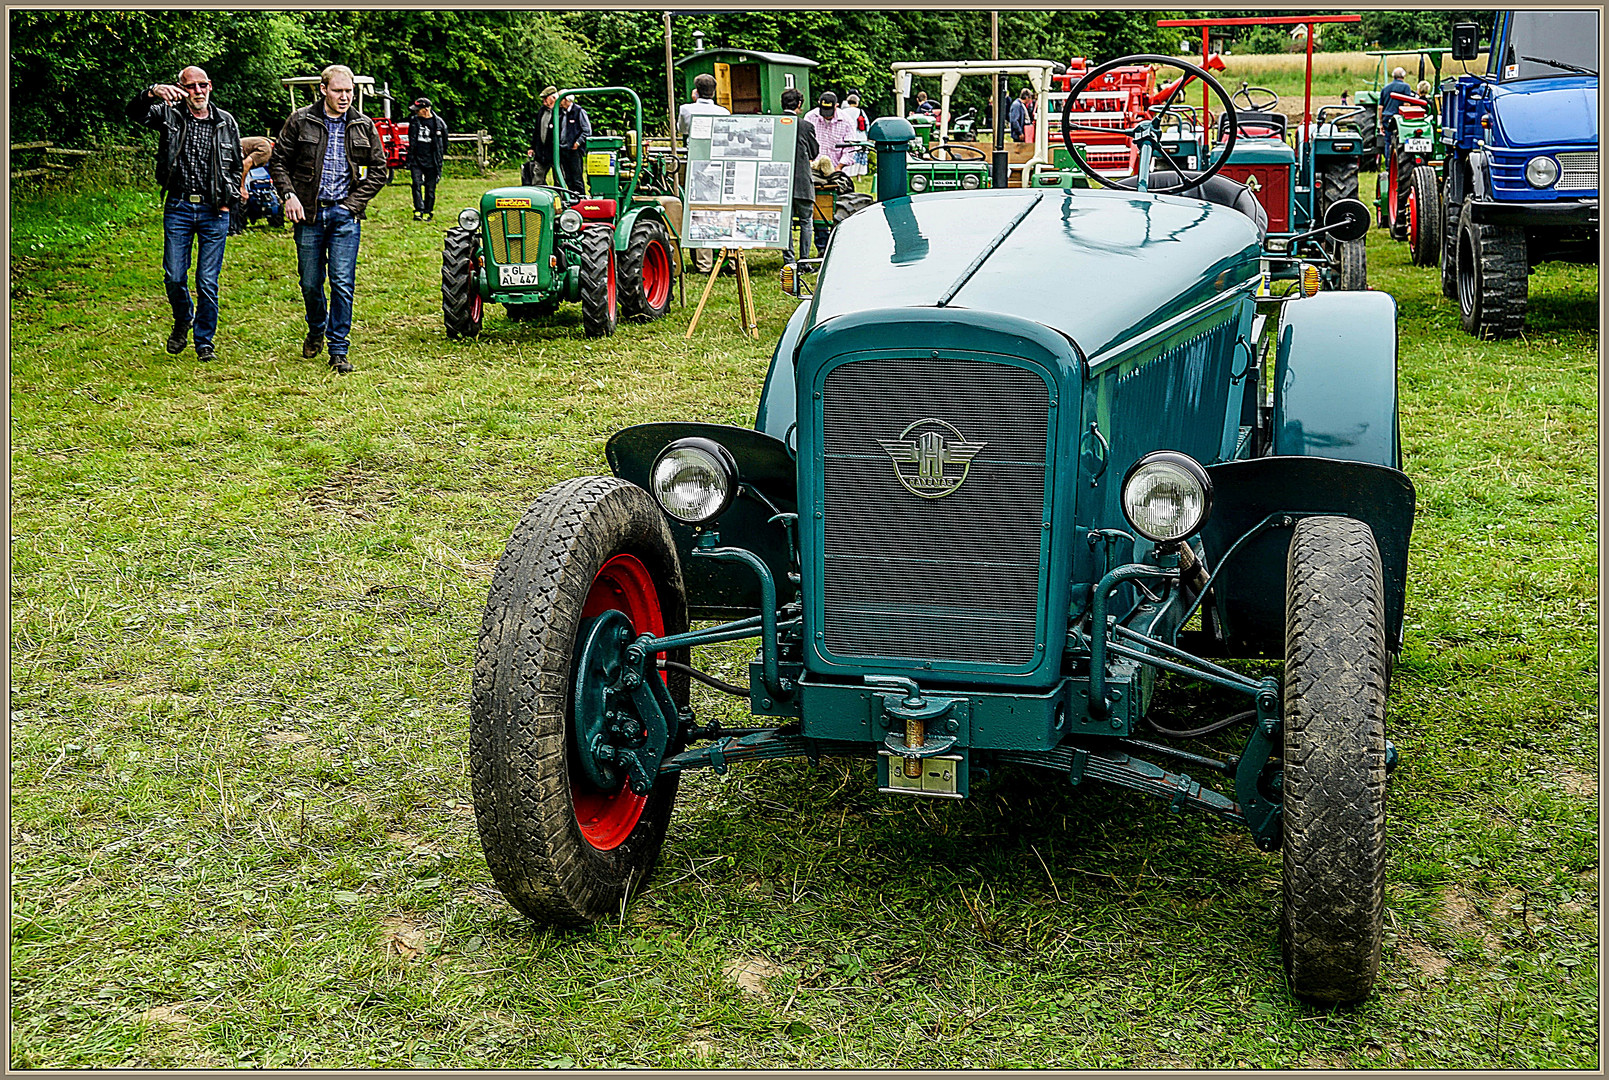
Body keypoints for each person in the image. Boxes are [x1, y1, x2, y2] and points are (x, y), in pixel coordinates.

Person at [269, 63, 389, 374]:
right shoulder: (300, 120)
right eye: (338, 91)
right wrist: (289, 195)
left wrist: (353, 204)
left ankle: (338, 348)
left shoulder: (363, 126)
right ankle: (316, 327)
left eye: (349, 91)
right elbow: (279, 161)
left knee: (342, 282)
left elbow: (379, 171)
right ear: (323, 90)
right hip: (308, 213)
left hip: (344, 215)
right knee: (311, 283)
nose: (345, 96)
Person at [126, 65, 243, 363]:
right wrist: (152, 91)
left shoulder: (225, 122)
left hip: (215, 209)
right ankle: (183, 319)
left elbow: (235, 165)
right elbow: (133, 111)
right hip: (178, 206)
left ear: (210, 86)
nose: (198, 91)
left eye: (202, 85)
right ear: (181, 89)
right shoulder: (169, 115)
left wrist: (229, 200)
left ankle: (205, 341)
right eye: (190, 86)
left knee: (207, 280)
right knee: (174, 276)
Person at [780, 87, 819, 264]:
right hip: (802, 179)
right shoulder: (805, 126)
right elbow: (814, 152)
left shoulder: (773, 123)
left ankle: (788, 261)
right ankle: (804, 260)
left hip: (779, 181)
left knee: (785, 224)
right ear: (800, 104)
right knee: (806, 221)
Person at [407, 97, 449, 221]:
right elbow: (411, 140)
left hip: (432, 161)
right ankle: (418, 210)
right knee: (416, 184)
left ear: (425, 110)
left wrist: (439, 158)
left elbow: (444, 144)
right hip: (416, 159)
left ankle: (428, 211)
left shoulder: (439, 124)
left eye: (417, 110)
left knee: (430, 188)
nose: (415, 112)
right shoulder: (414, 122)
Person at [230, 134, 274, 236]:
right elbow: (245, 164)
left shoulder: (265, 142)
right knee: (236, 195)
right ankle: (234, 229)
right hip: (228, 160)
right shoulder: (267, 151)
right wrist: (242, 187)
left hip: (230, 157)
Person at [804, 91, 854, 171]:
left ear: (836, 106)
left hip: (837, 167)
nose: (826, 116)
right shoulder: (810, 117)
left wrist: (840, 166)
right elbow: (805, 142)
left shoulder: (847, 121)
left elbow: (850, 148)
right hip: (814, 166)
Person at [556, 93, 591, 199]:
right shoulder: (561, 113)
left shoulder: (579, 111)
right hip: (563, 149)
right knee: (568, 177)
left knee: (577, 177)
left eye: (560, 99)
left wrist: (577, 143)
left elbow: (587, 130)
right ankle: (571, 198)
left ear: (566, 100)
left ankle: (580, 198)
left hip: (574, 150)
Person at [677, 72, 730, 136]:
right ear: (713, 92)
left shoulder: (685, 109)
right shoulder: (724, 112)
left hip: (694, 145)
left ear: (696, 91)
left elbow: (682, 130)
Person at [526, 85, 558, 185]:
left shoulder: (560, 112)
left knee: (558, 178)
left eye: (545, 98)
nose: (544, 101)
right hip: (541, 152)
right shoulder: (542, 111)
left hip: (556, 152)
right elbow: (536, 131)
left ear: (553, 98)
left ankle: (561, 198)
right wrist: (532, 147)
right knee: (537, 177)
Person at [838, 91, 869, 177]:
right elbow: (867, 124)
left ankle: (848, 173)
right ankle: (859, 174)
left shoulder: (843, 112)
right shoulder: (860, 111)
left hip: (846, 137)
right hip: (860, 136)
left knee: (849, 153)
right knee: (860, 155)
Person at [1380, 66, 1412, 134]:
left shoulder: (1385, 88)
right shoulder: (1406, 87)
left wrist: (1380, 123)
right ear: (1403, 76)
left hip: (1387, 117)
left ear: (1393, 76)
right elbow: (1406, 104)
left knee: (1388, 140)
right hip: (1399, 118)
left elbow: (1380, 107)